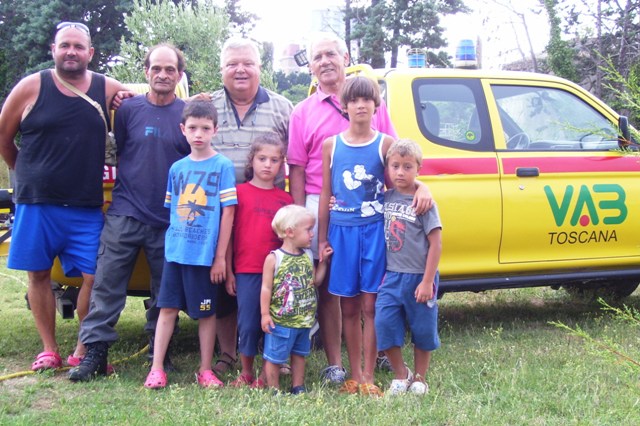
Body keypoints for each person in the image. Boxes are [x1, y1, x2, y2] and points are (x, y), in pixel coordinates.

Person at [287, 32, 432, 383]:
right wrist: (307, 223)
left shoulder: (381, 134)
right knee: (335, 294)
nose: (325, 61)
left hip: (374, 221)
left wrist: (422, 185)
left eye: (331, 54)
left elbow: (401, 163)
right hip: (328, 214)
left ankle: (373, 364)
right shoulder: (304, 114)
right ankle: (340, 367)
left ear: (345, 57)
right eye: (317, 56)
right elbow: (298, 169)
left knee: (373, 298)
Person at [0, 21, 126, 371]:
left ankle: (84, 347)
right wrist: (26, 172)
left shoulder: (105, 87)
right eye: (65, 45)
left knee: (95, 277)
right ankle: (49, 349)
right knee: (39, 275)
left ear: (90, 53)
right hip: (37, 203)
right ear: (54, 49)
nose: (71, 51)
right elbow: (4, 138)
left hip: (85, 205)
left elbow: (148, 104)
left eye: (78, 46)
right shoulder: (31, 86)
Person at [69, 43, 191, 381]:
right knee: (106, 285)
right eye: (157, 68)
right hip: (124, 212)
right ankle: (95, 354)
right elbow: (121, 151)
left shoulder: (188, 114)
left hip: (170, 218)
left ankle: (160, 352)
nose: (163, 74)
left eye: (170, 69)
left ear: (179, 75)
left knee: (165, 291)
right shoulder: (126, 110)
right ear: (146, 71)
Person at [209, 37, 294, 375]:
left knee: (272, 285)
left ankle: (274, 353)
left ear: (260, 67)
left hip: (268, 217)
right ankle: (228, 352)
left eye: (248, 63)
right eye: (232, 64)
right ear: (221, 70)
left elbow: (297, 161)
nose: (240, 70)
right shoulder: (207, 106)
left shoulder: (283, 108)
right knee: (224, 287)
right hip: (219, 215)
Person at [144, 100, 237, 389]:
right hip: (176, 254)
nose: (199, 134)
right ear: (183, 129)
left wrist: (220, 257)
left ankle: (205, 369)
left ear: (215, 130)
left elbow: (228, 213)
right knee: (167, 309)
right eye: (193, 128)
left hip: (205, 257)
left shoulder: (223, 166)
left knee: (206, 313)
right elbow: (173, 211)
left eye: (205, 128)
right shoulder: (177, 168)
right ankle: (156, 368)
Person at [317, 76, 395, 397]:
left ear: (376, 105)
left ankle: (369, 376)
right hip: (342, 234)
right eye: (354, 100)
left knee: (370, 306)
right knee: (347, 307)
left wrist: (422, 191)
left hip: (375, 232)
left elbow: (399, 187)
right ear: (344, 106)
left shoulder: (386, 144)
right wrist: (322, 239)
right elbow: (325, 193)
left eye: (367, 100)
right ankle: (354, 374)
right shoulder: (331, 145)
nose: (360, 105)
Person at [375, 139, 442, 395]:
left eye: (407, 167)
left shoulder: (424, 202)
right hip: (391, 277)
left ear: (418, 169)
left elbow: (436, 244)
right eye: (395, 166)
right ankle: (401, 374)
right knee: (384, 324)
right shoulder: (385, 199)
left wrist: (427, 281)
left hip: (420, 277)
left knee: (422, 329)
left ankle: (420, 378)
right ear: (387, 168)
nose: (400, 172)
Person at [228, 134, 293, 388]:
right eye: (262, 158)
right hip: (247, 270)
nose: (268, 165)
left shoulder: (285, 200)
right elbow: (229, 235)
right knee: (247, 323)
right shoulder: (239, 193)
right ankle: (246, 371)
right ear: (251, 160)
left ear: (281, 164)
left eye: (274, 160)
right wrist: (230, 270)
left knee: (273, 323)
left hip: (278, 274)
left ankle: (267, 374)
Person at [260, 205, 332, 393]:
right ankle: (274, 389)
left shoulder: (307, 255)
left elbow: (315, 281)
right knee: (274, 357)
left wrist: (323, 263)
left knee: (300, 354)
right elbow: (266, 288)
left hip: (304, 321)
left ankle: (297, 386)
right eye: (308, 230)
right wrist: (265, 314)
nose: (312, 234)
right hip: (280, 321)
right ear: (290, 232)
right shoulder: (274, 258)